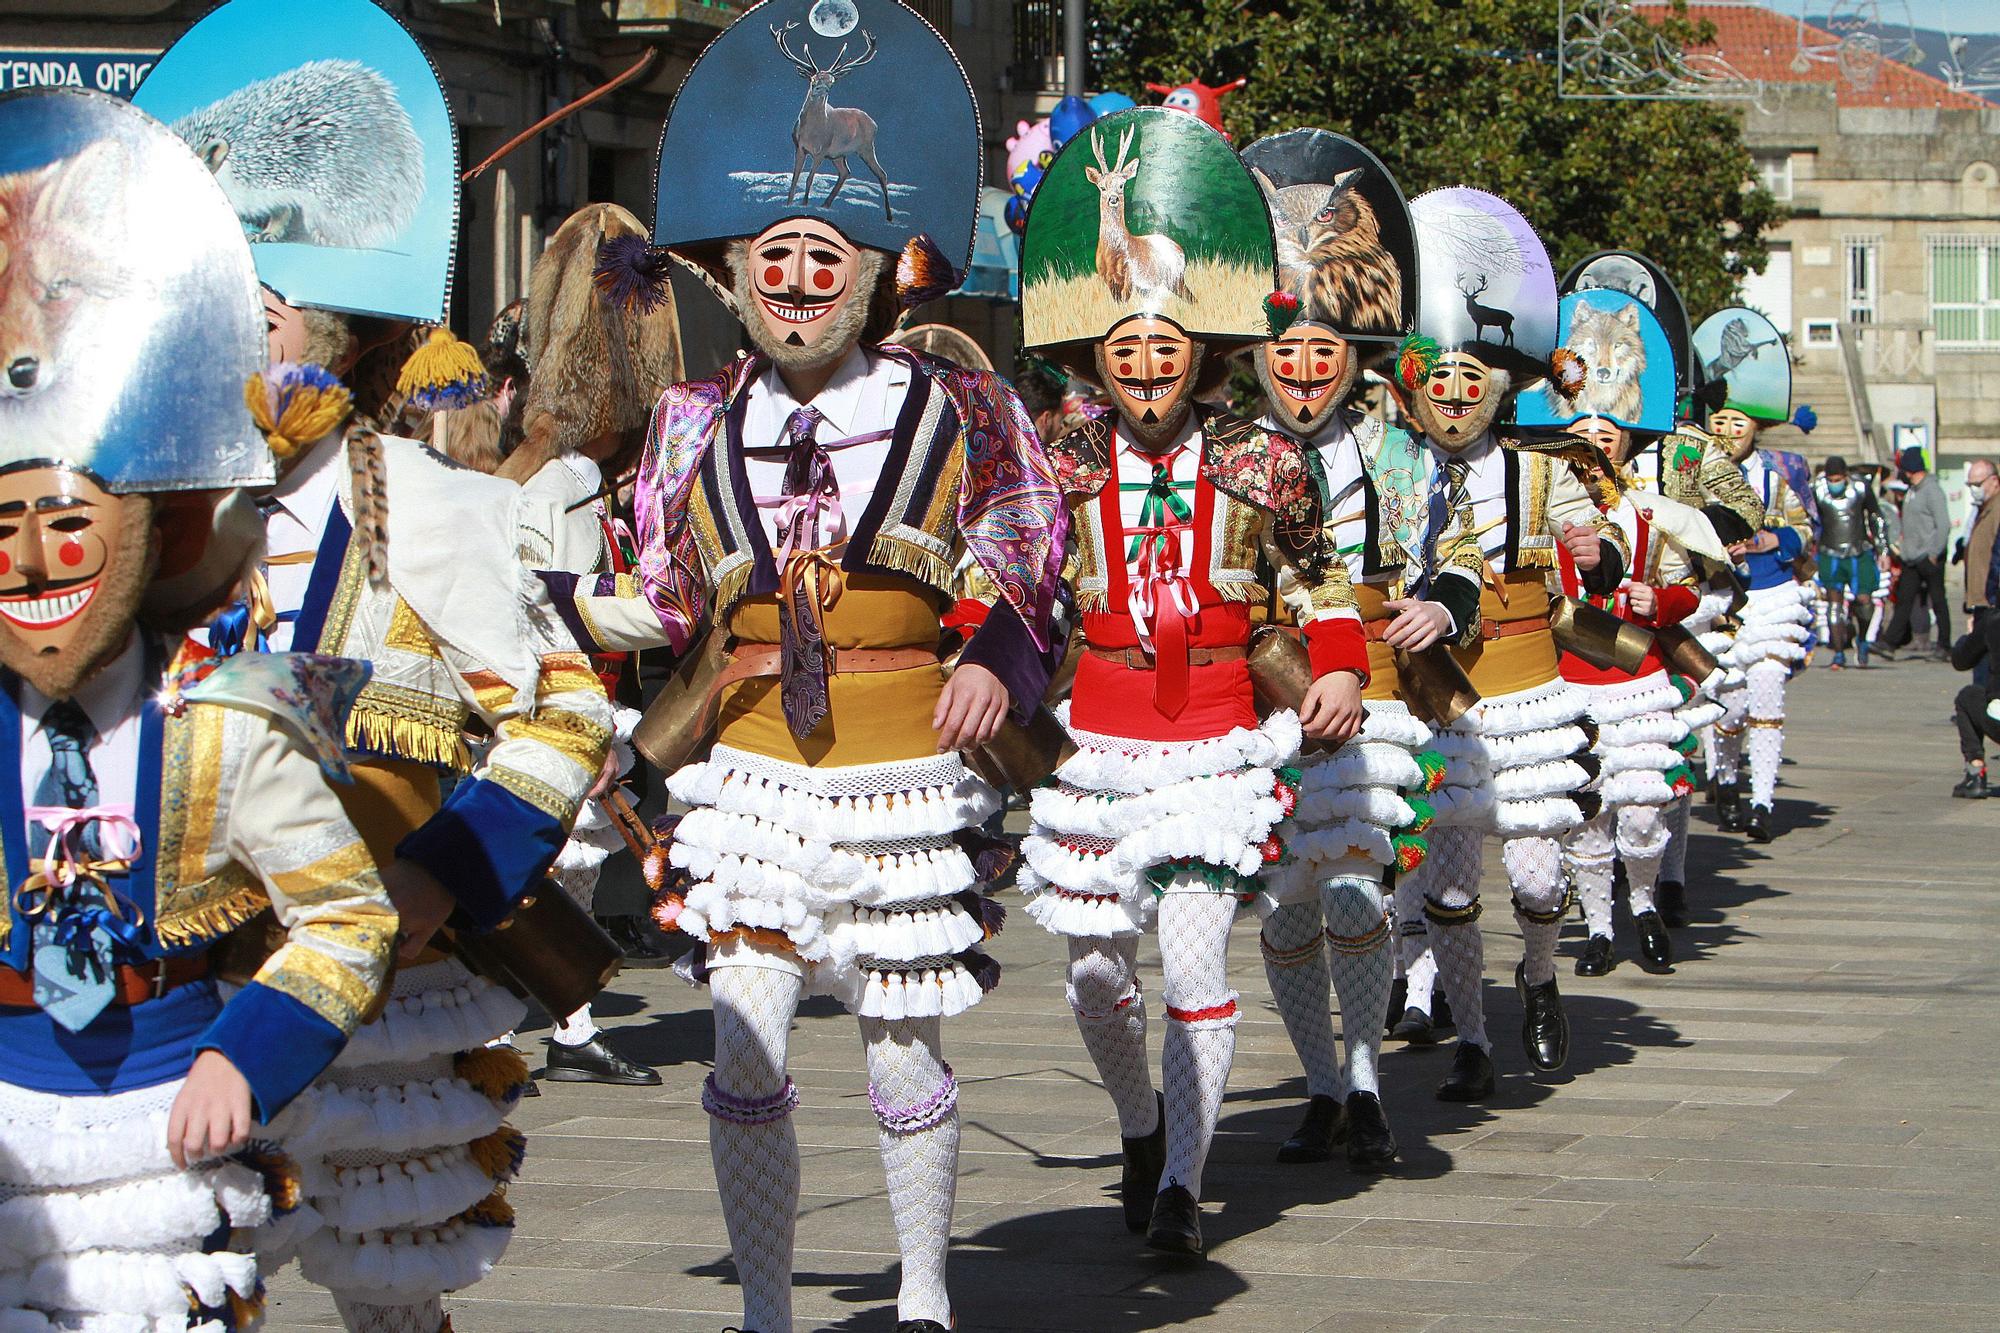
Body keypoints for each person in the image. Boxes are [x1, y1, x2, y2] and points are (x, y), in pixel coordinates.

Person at [541, 4, 1068, 1326]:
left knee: (900, 1049)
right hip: (753, 767)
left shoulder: (959, 405)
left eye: (820, 254)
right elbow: (670, 596)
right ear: (736, 268)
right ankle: (767, 1310)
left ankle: (929, 1295)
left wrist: (1001, 653)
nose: (791, 279)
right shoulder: (685, 425)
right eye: (770, 254)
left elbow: (1034, 548)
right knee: (744, 1043)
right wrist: (572, 625)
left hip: (898, 763)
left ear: (881, 269)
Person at [138, 6, 618, 1329]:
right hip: (181, 989)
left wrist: (441, 871)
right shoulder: (125, 510)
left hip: (378, 990)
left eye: (267, 311)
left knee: (390, 1308)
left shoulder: (420, 502)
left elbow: (567, 706)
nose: (235, 339)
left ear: (337, 336)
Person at [0, 89, 399, 1330]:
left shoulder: (223, 720)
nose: (30, 563)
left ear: (147, 538)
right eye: (3, 529)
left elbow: (345, 917)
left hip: (171, 1115)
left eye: (67, 527)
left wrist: (250, 1051)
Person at [1017, 107, 1365, 1254]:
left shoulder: (1265, 457)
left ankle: (1180, 1185)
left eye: (1165, 347)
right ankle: (1137, 1123)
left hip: (1216, 733)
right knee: (1091, 977)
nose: (1147, 367)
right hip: (1097, 737)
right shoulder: (1055, 453)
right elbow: (1011, 581)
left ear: (1202, 350)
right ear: (1096, 353)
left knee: (1198, 958)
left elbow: (1322, 580)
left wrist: (1343, 669)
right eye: (1125, 348)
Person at [1240, 128, 1481, 1171]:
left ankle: (1371, 1087)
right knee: (1283, 911)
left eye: (1322, 356)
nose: (1303, 376)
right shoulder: (1225, 451)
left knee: (1352, 887)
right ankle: (1322, 1085)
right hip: (1254, 695)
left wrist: (1444, 601)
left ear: (1353, 356)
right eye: (1285, 358)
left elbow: (1456, 541)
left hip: (1373, 689)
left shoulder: (1398, 445)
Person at [1390, 188, 1627, 1102]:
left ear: (1501, 386)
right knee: (1446, 883)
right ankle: (1475, 1038)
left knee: (1533, 870)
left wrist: (1596, 555)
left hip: (1526, 691)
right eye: (1437, 381)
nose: (1454, 397)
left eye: (1472, 382)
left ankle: (1536, 971)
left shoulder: (1542, 467)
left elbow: (1593, 554)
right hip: (1437, 692)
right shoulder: (1396, 467)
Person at [499, 202, 685, 1086]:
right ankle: (499, 1034)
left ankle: (565, 1029)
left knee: (560, 872)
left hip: (568, 695)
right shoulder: (566, 482)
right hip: (548, 698)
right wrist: (680, 612)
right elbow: (562, 605)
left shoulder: (571, 476)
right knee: (527, 868)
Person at [1517, 289, 1725, 976]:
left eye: (1609, 432)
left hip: (1636, 678)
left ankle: (1643, 905)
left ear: (1629, 438)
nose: (1596, 440)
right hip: (1568, 680)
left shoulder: (1656, 510)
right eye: (1583, 430)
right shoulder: (1536, 507)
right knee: (1588, 814)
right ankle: (1601, 928)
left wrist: (1655, 597)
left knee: (1641, 813)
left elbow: (1689, 588)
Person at [1691, 306, 1814, 842]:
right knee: (1728, 700)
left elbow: (1806, 532)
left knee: (1766, 689)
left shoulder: (1778, 475)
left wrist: (1773, 539)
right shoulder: (1689, 470)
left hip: (1768, 596)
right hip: (1716, 602)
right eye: (1719, 421)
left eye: (1737, 423)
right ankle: (1725, 780)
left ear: (1754, 429)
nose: (1727, 430)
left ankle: (1763, 801)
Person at [1951, 459, 2000, 796]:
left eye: (1977, 482)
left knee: (1976, 694)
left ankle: (1976, 770)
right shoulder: (1984, 510)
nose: (1973, 488)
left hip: (1990, 610)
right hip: (1984, 605)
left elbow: (1961, 659)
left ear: (1994, 481)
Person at [1878, 446, 1953, 660]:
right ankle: (1889, 643)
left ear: (1911, 469)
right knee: (1904, 599)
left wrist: (1934, 552)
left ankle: (1944, 645)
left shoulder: (1932, 490)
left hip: (1929, 557)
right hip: (1911, 557)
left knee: (1938, 600)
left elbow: (1943, 525)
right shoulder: (1912, 490)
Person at [1813, 456, 1888, 669]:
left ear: (1845, 476)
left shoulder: (1860, 488)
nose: (1834, 483)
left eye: (1838, 478)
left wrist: (1883, 549)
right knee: (1834, 604)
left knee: (1864, 601)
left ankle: (1862, 639)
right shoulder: (1817, 490)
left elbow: (1875, 516)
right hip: (1830, 552)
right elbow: (1810, 519)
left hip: (1859, 551)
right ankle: (1838, 653)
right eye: (1830, 479)